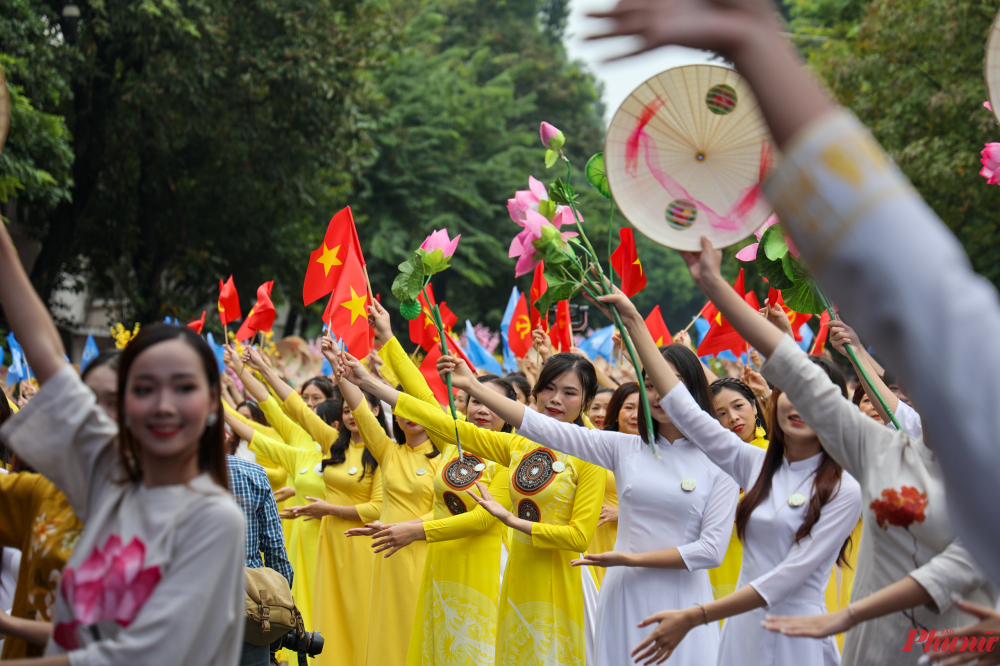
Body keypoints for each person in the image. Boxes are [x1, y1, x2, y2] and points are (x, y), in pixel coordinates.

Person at [586, 0, 1000, 594]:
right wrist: (710, 285)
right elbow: (910, 290)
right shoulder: (877, 451)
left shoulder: (866, 472)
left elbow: (922, 289)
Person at [0, 220, 245, 665]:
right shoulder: (109, 472)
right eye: (144, 388)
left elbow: (137, 657)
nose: (163, 406)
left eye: (184, 387)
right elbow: (46, 353)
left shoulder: (215, 521)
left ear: (214, 401)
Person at [587, 278, 860, 665]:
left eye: (815, 399)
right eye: (791, 395)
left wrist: (698, 615)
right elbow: (683, 407)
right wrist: (635, 322)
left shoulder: (844, 488)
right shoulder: (754, 464)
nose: (799, 407)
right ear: (776, 400)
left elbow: (787, 577)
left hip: (796, 636)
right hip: (740, 633)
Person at [446, 320, 740, 666]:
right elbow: (541, 426)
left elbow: (710, 551)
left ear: (692, 389)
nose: (658, 394)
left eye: (669, 383)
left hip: (682, 595)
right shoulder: (624, 448)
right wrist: (472, 386)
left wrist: (630, 559)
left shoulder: (722, 456)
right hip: (624, 594)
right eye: (649, 384)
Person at [350, 345, 607, 666]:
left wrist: (512, 522)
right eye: (549, 389)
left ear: (587, 402)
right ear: (536, 393)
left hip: (562, 578)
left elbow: (579, 538)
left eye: (570, 393)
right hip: (519, 574)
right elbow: (446, 424)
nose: (556, 399)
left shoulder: (591, 455)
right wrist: (371, 384)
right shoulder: (519, 445)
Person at [346, 303, 510, 666]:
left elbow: (484, 519)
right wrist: (388, 337)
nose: (481, 409)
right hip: (438, 562)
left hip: (482, 566)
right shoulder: (453, 444)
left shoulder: (511, 460)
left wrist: (416, 530)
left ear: (511, 412)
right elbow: (420, 398)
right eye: (474, 401)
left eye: (492, 402)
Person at [327, 337, 444, 666]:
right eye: (402, 408)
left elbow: (443, 511)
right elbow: (363, 412)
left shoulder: (446, 459)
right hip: (387, 556)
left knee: (418, 632)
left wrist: (410, 529)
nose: (410, 415)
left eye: (416, 409)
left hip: (423, 552)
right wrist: (344, 376)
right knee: (386, 633)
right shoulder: (389, 452)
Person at [226, 453, 293, 666]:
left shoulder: (163, 475)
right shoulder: (252, 473)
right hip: (250, 605)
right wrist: (281, 600)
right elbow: (275, 550)